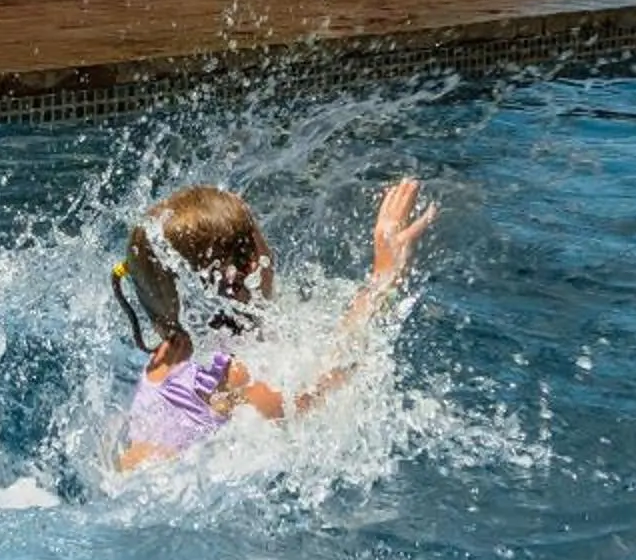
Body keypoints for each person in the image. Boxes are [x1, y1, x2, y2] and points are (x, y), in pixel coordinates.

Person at [110, 177, 435, 470]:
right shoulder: (234, 375)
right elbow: (317, 396)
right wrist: (382, 278)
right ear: (251, 267)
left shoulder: (168, 352)